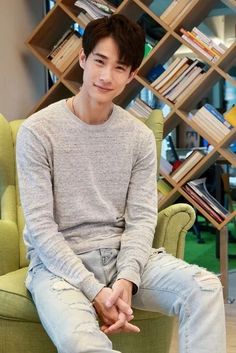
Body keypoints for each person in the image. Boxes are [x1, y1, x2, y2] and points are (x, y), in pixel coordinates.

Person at [16, 14, 226, 353]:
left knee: (204, 288)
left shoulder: (139, 137)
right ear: (83, 59)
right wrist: (96, 292)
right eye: (99, 61)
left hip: (122, 256)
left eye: (120, 67)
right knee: (79, 341)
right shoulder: (38, 132)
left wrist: (127, 279)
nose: (105, 76)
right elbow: (41, 229)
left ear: (130, 76)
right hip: (59, 267)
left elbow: (142, 218)